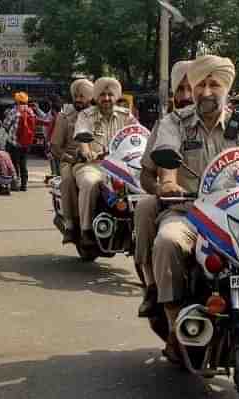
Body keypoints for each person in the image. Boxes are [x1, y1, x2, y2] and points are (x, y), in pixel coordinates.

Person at [150, 55, 239, 363]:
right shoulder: (174, 123)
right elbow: (165, 160)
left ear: (226, 89)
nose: (207, 91)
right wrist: (167, 182)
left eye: (214, 84)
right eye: (200, 84)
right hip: (189, 213)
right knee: (168, 242)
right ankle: (175, 323)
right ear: (191, 89)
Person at [135, 60, 193, 317]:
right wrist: (162, 187)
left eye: (193, 88)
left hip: (227, 213)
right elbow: (147, 174)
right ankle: (155, 289)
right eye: (180, 90)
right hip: (180, 208)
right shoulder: (167, 125)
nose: (187, 96)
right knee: (149, 211)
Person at [72, 77, 137, 246]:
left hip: (121, 167)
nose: (106, 98)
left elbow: (138, 133)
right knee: (90, 182)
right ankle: (85, 230)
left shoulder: (126, 115)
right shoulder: (85, 115)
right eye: (102, 95)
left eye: (110, 94)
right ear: (95, 97)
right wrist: (87, 152)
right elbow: (82, 136)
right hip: (92, 165)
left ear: (116, 96)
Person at [50, 79, 94, 243]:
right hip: (69, 160)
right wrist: (68, 158)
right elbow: (55, 146)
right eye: (76, 96)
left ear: (90, 97)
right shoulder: (64, 117)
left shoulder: (98, 115)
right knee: (68, 180)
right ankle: (69, 224)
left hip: (95, 160)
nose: (78, 99)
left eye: (82, 96)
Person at [3, 91, 36, 191]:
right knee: (23, 163)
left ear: (17, 101)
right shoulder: (31, 111)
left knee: (14, 163)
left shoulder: (14, 111)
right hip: (26, 143)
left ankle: (15, 184)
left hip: (14, 142)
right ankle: (24, 185)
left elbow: (5, 124)